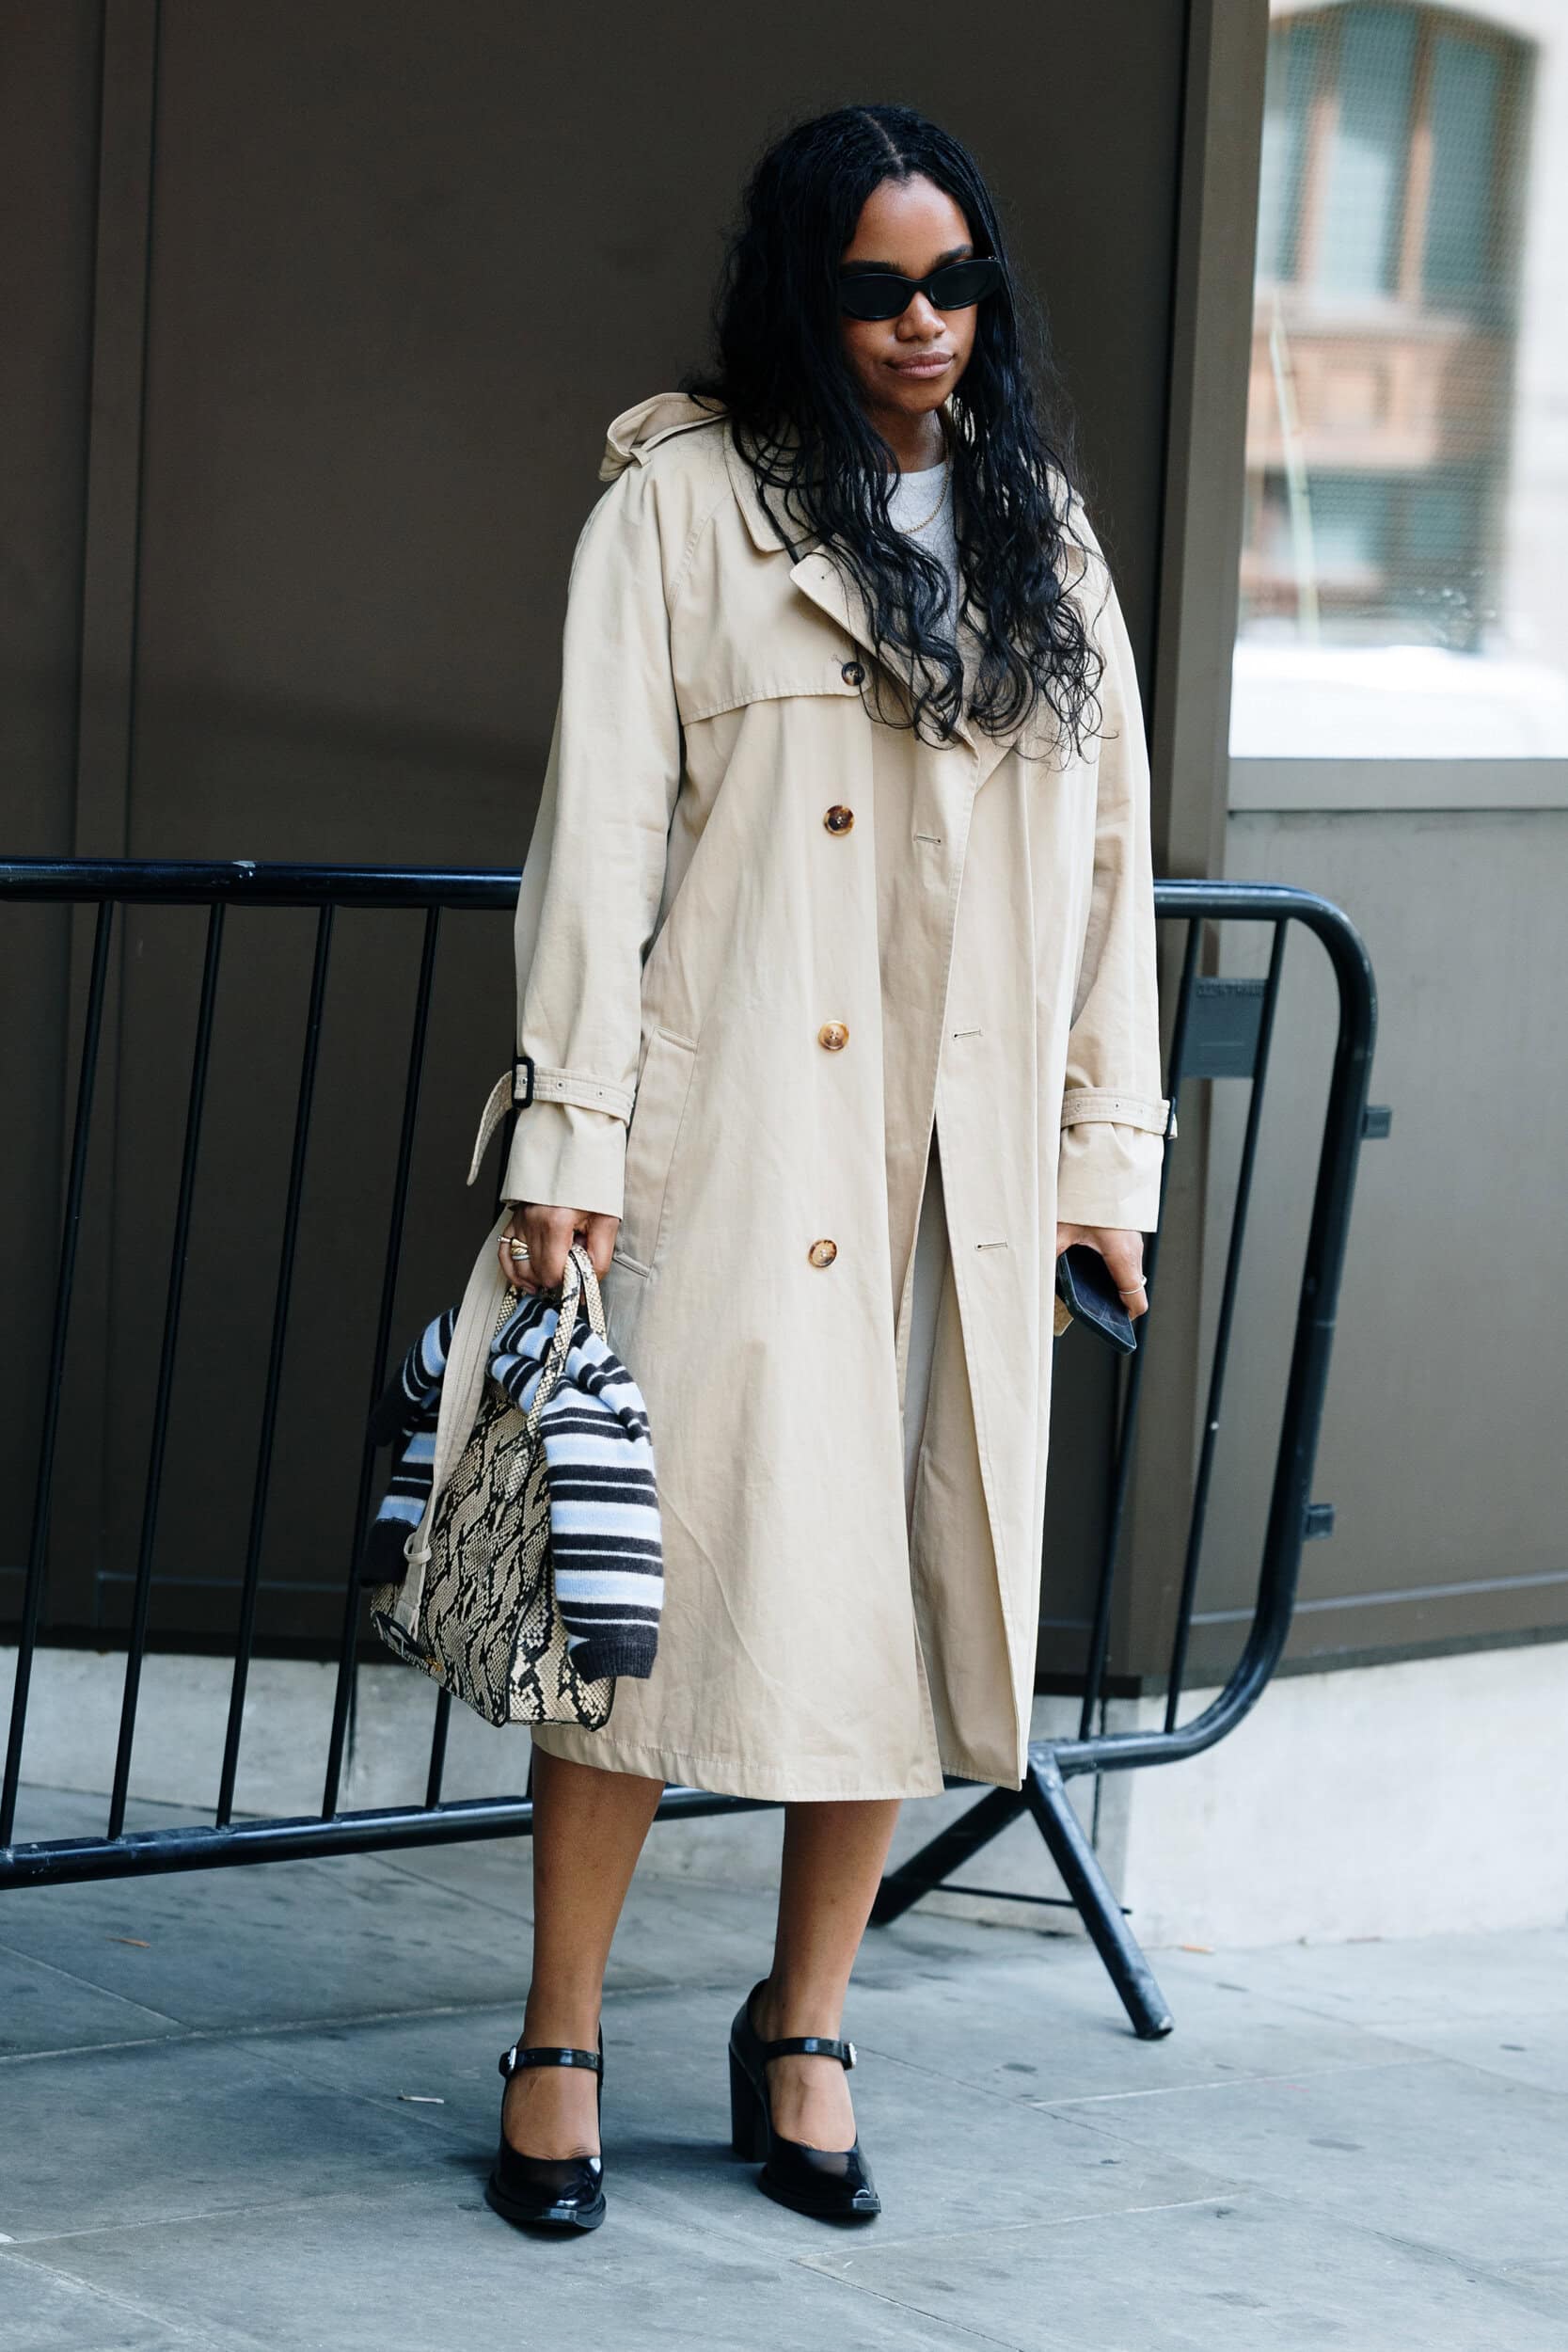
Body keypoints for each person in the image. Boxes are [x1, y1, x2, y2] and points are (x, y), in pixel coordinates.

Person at [479, 103, 1169, 2234]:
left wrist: (1102, 1158)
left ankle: (806, 2023)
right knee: (632, 1598)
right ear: (803, 291)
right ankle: (559, 2037)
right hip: (737, 1131)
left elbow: (1113, 872)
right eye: (877, 288)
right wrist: (570, 1133)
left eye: (955, 282)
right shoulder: (682, 512)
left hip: (954, 1162)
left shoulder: (1042, 535)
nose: (923, 324)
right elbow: (598, 839)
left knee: (901, 1586)